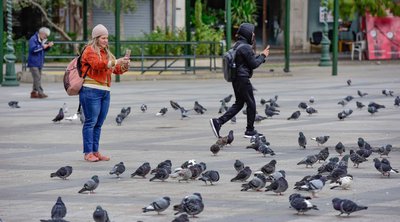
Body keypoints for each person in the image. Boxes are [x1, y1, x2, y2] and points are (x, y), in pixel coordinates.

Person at [79, 24, 130, 162]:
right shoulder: (89, 51)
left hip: (105, 91)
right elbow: (98, 65)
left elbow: (116, 70)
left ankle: (95, 151)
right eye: (103, 38)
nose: (106, 40)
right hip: (91, 89)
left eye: (107, 38)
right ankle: (88, 152)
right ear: (96, 38)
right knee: (90, 122)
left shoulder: (106, 53)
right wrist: (115, 61)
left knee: (99, 123)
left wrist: (124, 65)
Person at [210, 23, 270, 138]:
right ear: (247, 33)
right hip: (243, 79)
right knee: (251, 104)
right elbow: (253, 64)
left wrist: (261, 55)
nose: (253, 35)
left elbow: (248, 61)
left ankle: (218, 122)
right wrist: (263, 56)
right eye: (252, 32)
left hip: (236, 78)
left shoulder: (238, 45)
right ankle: (250, 131)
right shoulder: (246, 47)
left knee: (239, 103)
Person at [27, 27, 54, 98]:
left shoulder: (41, 40)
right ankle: (40, 92)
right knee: (37, 78)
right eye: (45, 35)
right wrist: (43, 46)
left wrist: (48, 46)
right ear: (42, 33)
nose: (46, 37)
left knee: (37, 78)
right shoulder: (33, 39)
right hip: (33, 62)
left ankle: (33, 92)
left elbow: (43, 50)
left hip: (39, 62)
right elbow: (33, 50)